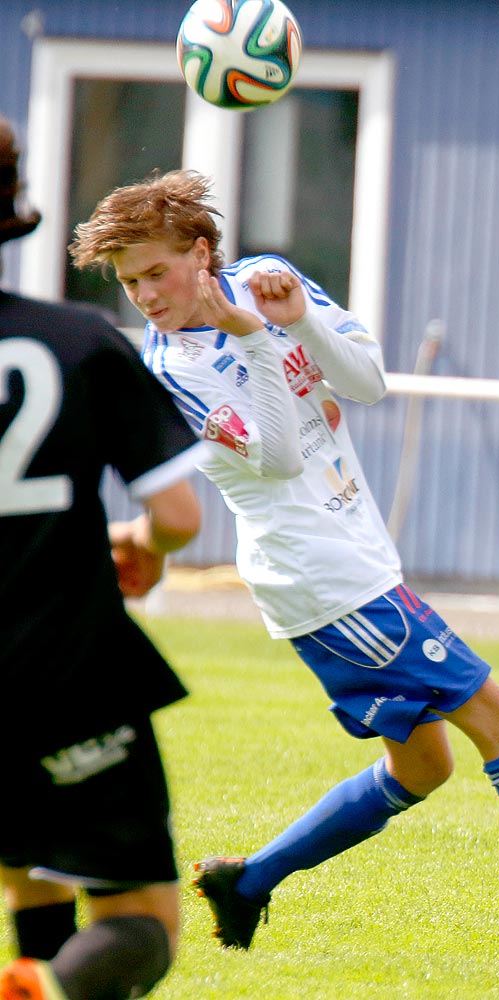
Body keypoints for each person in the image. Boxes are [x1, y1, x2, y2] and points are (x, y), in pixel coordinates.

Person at [68, 170, 499, 966]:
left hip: (354, 554)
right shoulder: (169, 369)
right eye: (128, 282)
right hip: (320, 575)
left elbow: (366, 382)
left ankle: (248, 882)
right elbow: (272, 459)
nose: (143, 295)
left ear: (201, 252)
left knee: (422, 764)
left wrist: (296, 317)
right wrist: (250, 335)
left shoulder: (268, 281)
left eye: (155, 272)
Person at [0, 116, 204, 1000]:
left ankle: (33, 972)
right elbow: (175, 512)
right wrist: (144, 546)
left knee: (29, 864)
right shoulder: (76, 341)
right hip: (63, 670)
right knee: (142, 924)